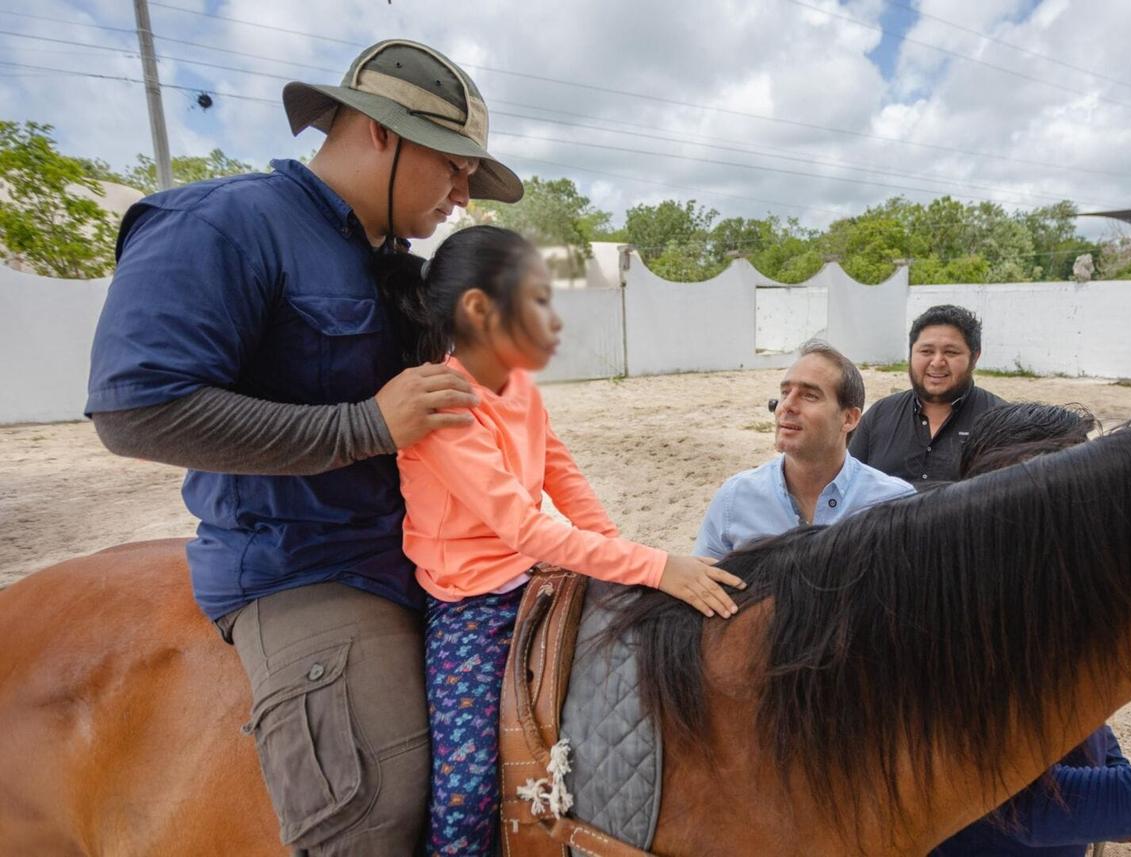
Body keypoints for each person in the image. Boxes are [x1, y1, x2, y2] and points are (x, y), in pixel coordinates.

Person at [84, 39, 523, 856]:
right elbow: (134, 407)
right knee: (380, 805)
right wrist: (364, 426)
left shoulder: (390, 258)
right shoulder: (224, 223)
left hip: (421, 551)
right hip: (305, 564)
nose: (464, 195)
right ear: (378, 133)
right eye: (453, 166)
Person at [385, 225, 746, 855]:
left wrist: (622, 561)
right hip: (470, 603)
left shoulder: (517, 385)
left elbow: (562, 473)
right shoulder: (443, 404)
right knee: (466, 785)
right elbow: (524, 525)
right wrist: (656, 565)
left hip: (538, 578)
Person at [931, 402, 1131, 856]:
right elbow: (1019, 806)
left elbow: (1087, 721)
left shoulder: (1053, 601)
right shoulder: (956, 631)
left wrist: (1117, 781)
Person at [694, 339, 913, 558]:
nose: (786, 406)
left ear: (849, 418)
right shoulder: (735, 498)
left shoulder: (894, 505)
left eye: (809, 395)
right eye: (785, 393)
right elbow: (702, 586)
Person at [849, 304, 1005, 487]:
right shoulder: (879, 416)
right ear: (911, 354)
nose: (937, 362)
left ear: (975, 357)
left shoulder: (1001, 424)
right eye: (926, 351)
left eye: (951, 352)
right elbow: (848, 486)